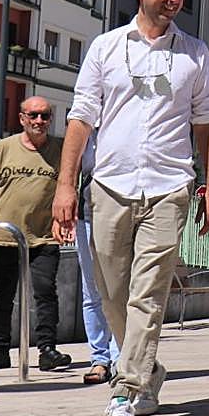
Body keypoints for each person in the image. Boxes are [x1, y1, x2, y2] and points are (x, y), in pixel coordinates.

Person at [54, 0, 209, 416]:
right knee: (112, 294)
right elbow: (81, 119)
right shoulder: (106, 48)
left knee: (147, 295)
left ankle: (123, 393)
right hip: (110, 183)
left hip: (170, 185)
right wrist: (66, 184)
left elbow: (206, 126)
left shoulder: (195, 53)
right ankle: (148, 369)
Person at [0, 96, 73, 373]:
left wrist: (66, 219)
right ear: (22, 118)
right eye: (34, 115)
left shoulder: (61, 151)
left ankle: (47, 351)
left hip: (44, 238)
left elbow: (72, 188)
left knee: (45, 294)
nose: (39, 121)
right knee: (2, 296)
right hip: (7, 237)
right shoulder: (4, 149)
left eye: (45, 116)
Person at [76, 132, 119, 385]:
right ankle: (99, 358)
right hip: (88, 212)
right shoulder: (84, 128)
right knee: (92, 288)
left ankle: (120, 358)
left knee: (119, 289)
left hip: (122, 210)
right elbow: (72, 169)